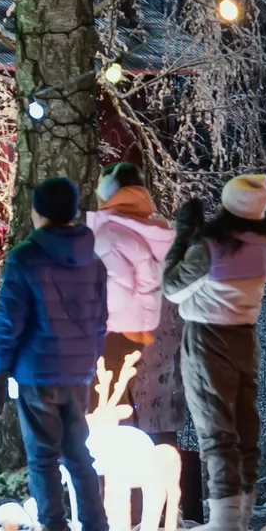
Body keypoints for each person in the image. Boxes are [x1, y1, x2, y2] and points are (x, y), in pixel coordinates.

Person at [0, 176, 112, 531]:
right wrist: (88, 360)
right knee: (78, 455)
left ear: (37, 212)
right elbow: (100, 321)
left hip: (37, 372)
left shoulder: (26, 257)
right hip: (78, 373)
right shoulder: (93, 260)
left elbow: (9, 323)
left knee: (43, 457)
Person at [164, 173, 266, 531]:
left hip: (207, 340)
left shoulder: (211, 247)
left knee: (216, 431)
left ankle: (224, 527)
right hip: (245, 338)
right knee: (245, 430)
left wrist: (184, 235)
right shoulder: (264, 245)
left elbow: (172, 286)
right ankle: (240, 522)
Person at [86, 163, 176, 419]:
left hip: (112, 329)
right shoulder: (137, 225)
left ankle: (112, 457)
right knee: (120, 396)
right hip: (133, 328)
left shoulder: (111, 233)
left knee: (105, 402)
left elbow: (116, 286)